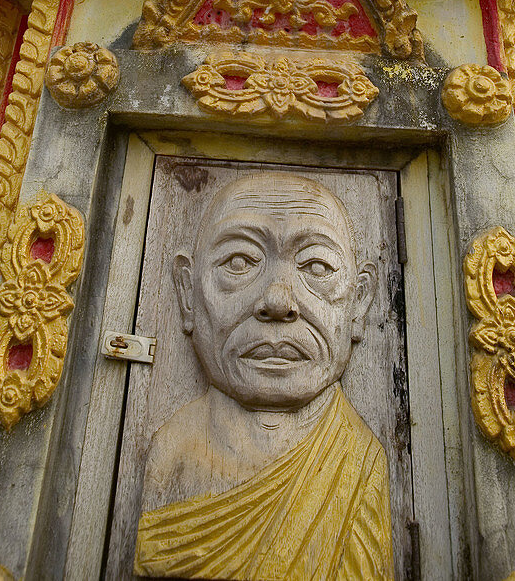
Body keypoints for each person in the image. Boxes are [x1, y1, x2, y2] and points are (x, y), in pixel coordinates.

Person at [134, 171, 394, 580]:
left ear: (359, 302)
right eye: (240, 262)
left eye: (317, 266)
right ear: (187, 291)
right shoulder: (171, 456)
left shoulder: (360, 464)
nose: (277, 300)